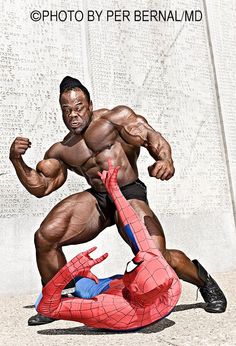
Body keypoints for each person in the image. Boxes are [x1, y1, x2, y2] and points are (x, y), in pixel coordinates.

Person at [9, 76, 226, 325]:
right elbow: (42, 186)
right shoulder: (62, 149)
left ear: (90, 105)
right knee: (46, 236)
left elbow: (150, 136)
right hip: (100, 199)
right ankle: (58, 300)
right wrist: (17, 160)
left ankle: (202, 279)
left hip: (128, 191)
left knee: (155, 255)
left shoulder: (114, 119)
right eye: (66, 110)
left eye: (78, 108)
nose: (73, 115)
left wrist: (165, 160)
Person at [36, 161, 181, 330]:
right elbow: (134, 225)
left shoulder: (109, 307)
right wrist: (114, 191)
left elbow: (46, 308)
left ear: (132, 285)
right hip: (128, 290)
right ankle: (206, 282)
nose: (141, 254)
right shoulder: (170, 285)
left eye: (133, 264)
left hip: (105, 293)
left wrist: (69, 271)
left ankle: (76, 279)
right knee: (153, 248)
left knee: (47, 296)